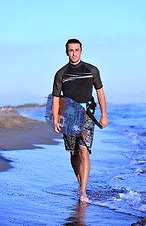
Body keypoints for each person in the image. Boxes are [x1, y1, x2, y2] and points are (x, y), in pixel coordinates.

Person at [52, 38, 108, 202]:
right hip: (69, 115)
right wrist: (56, 119)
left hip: (87, 114)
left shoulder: (92, 70)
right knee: (73, 153)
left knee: (84, 150)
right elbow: (56, 98)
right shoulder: (61, 74)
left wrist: (104, 115)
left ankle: (83, 191)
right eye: (71, 50)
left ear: (81, 51)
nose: (74, 53)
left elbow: (100, 93)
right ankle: (80, 183)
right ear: (66, 52)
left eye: (77, 50)